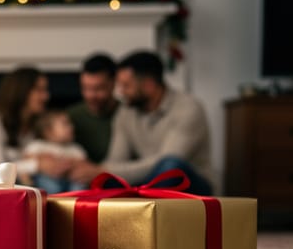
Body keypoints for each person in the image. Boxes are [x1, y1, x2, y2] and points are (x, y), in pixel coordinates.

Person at [70, 50, 215, 195]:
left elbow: (168, 160)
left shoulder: (188, 108)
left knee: (170, 165)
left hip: (190, 185)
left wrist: (105, 170)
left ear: (148, 85)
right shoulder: (126, 112)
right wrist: (96, 172)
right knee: (105, 179)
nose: (120, 92)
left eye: (126, 86)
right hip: (147, 182)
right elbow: (116, 160)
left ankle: (138, 206)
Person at [0, 66, 71, 183]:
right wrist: (38, 165)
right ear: (22, 91)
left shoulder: (38, 126)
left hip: (28, 191)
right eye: (39, 90)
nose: (46, 96)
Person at [66, 54, 119, 164]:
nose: (90, 95)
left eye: (98, 88)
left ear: (113, 84)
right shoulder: (71, 116)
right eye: (85, 88)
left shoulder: (127, 115)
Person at [23, 111, 87, 193]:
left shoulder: (75, 148)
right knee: (48, 184)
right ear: (48, 132)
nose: (71, 127)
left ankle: (74, 201)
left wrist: (70, 165)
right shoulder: (39, 145)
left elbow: (83, 164)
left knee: (79, 185)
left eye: (70, 124)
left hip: (68, 180)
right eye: (65, 124)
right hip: (47, 179)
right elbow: (27, 160)